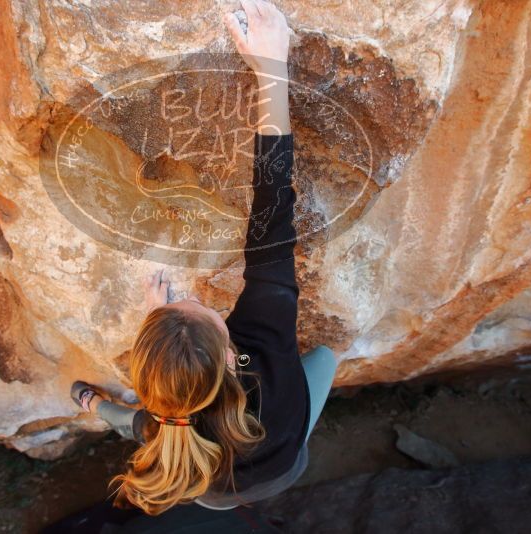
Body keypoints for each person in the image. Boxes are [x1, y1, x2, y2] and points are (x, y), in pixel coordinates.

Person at [57, 0, 338, 529]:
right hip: (285, 462)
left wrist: (166, 325)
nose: (202, 301)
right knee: (328, 354)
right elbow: (273, 203)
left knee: (131, 423)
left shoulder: (168, 427)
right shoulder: (267, 355)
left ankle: (93, 407)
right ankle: (98, 407)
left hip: (213, 490)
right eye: (209, 313)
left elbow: (159, 404)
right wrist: (271, 66)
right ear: (235, 361)